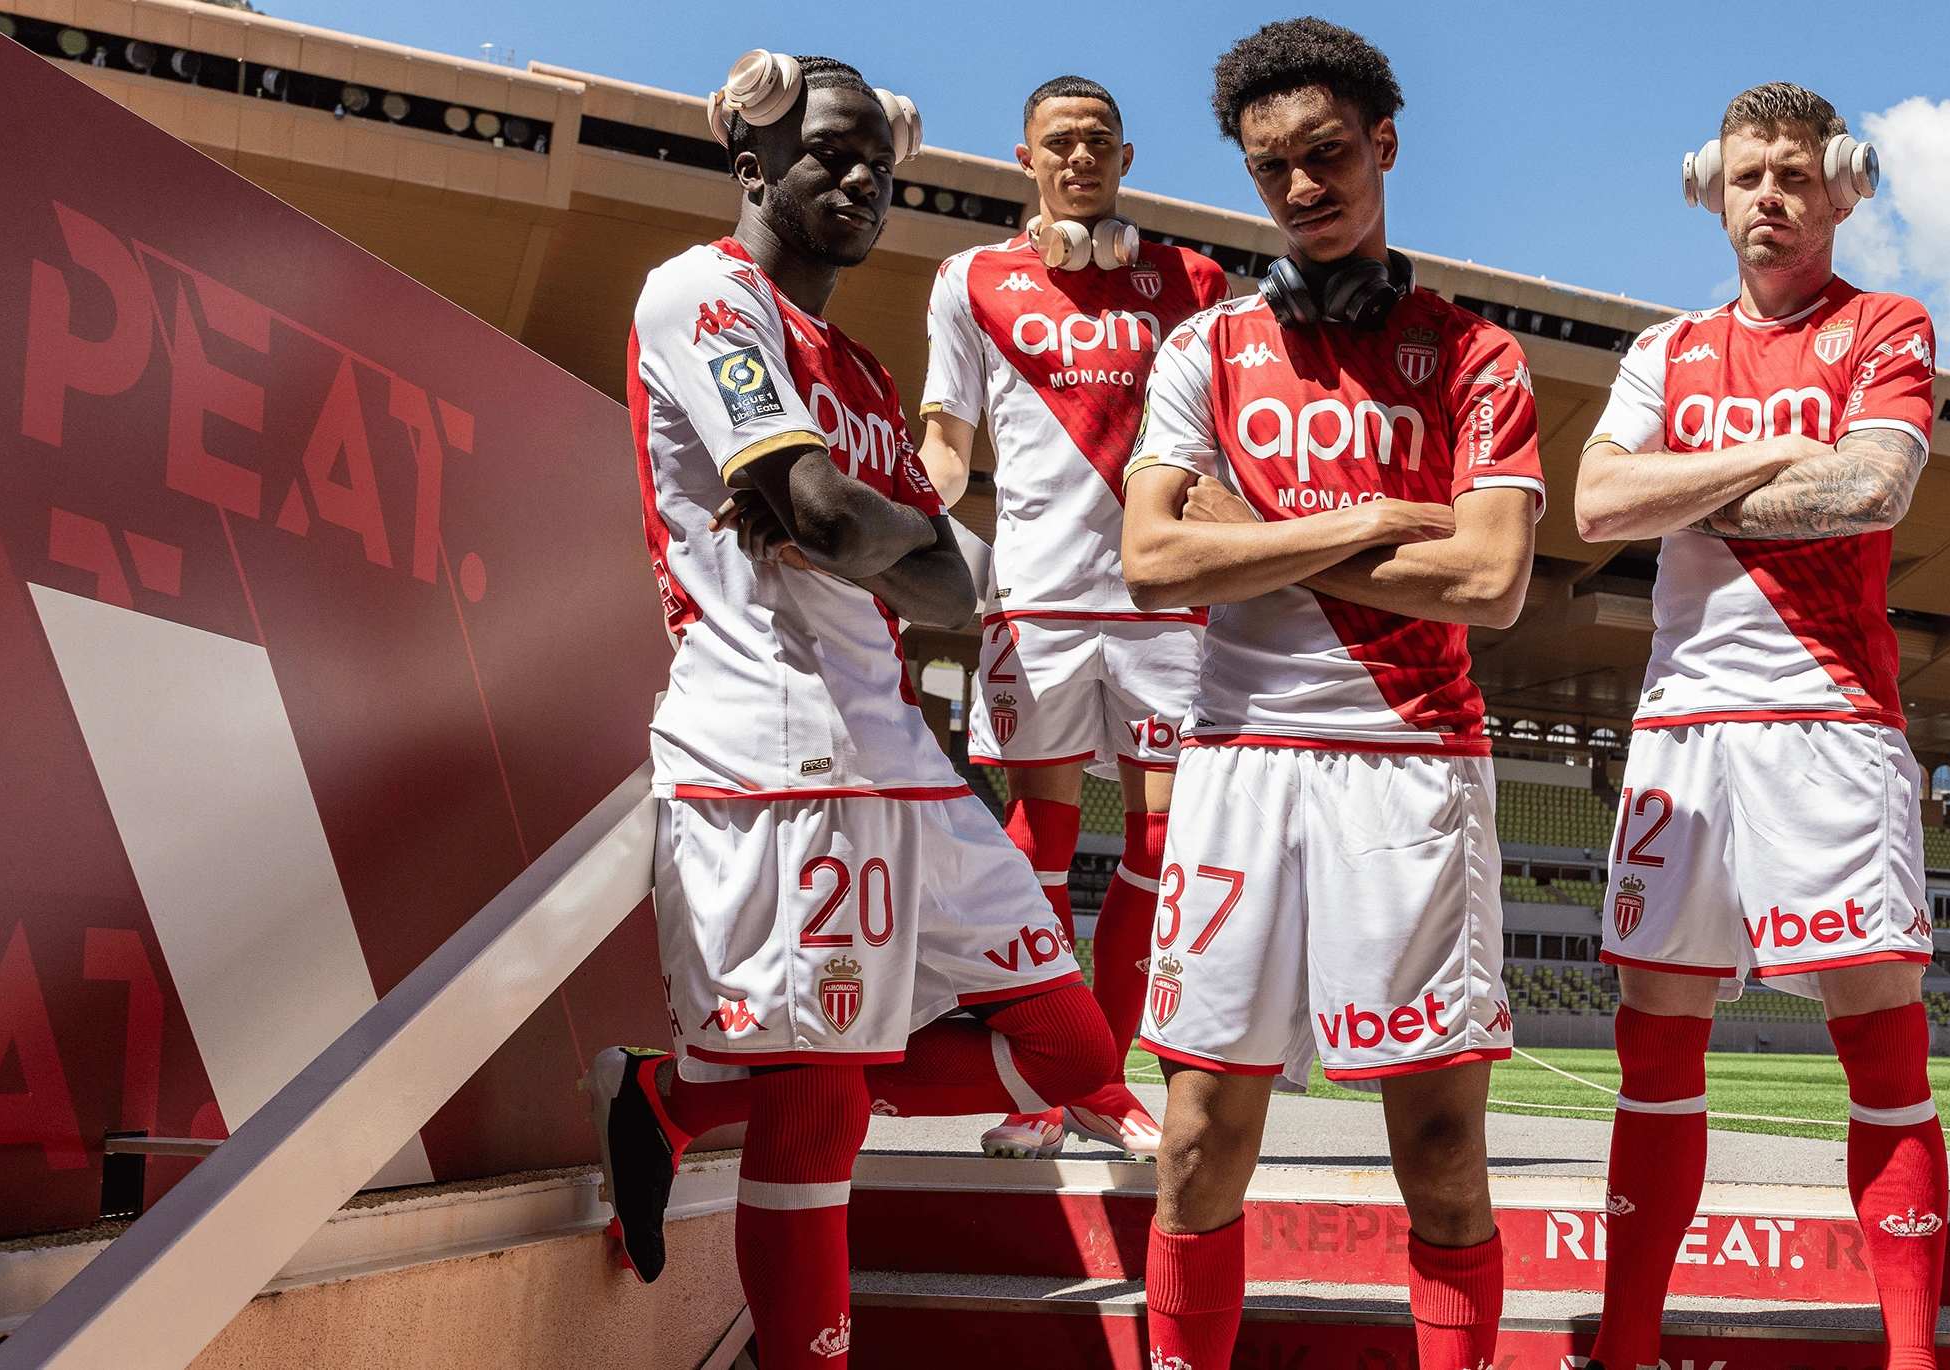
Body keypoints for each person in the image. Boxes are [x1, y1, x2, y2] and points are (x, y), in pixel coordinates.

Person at [582, 51, 1122, 1367]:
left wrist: (882, 537)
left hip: (899, 754)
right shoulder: (703, 294)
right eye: (828, 146)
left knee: (1068, 1046)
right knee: (818, 1105)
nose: (860, 172)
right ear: (752, 161)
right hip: (770, 746)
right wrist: (881, 536)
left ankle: (676, 1090)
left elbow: (922, 559)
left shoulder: (869, 376)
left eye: (877, 153)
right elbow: (826, 512)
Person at [1114, 19, 1543, 1370]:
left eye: (1328, 155)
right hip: (1239, 753)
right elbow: (1149, 560)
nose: (1302, 187)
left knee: (1440, 1147)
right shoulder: (1207, 350)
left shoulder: (1475, 354)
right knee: (1194, 1140)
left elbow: (1490, 582)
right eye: (1272, 167)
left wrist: (1257, 534)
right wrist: (1371, 516)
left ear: (1385, 148)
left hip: (1410, 758)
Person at [1568, 82, 1947, 1370]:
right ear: (1709, 187)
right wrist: (1765, 464)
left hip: (1830, 716)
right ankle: (1625, 1346)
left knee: (1881, 1044)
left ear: (1844, 184)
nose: (1769, 196)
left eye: (1793, 173)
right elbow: (1597, 503)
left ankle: (1911, 1357)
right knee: (1654, 1048)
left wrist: (1687, 485)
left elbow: (1873, 483)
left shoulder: (1887, 323)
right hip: (1683, 725)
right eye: (1746, 176)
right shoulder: (1664, 349)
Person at [917, 72, 1230, 1161]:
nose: (1080, 157)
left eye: (1100, 140)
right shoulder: (969, 280)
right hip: (1037, 597)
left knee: (1161, 841)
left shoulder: (1194, 280)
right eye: (1060, 141)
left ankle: (1108, 1076)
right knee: (1038, 844)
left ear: (1127, 159)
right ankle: (1049, 1082)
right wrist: (903, 517)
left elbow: (1221, 437)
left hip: (1162, 598)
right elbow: (948, 437)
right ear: (1025, 158)